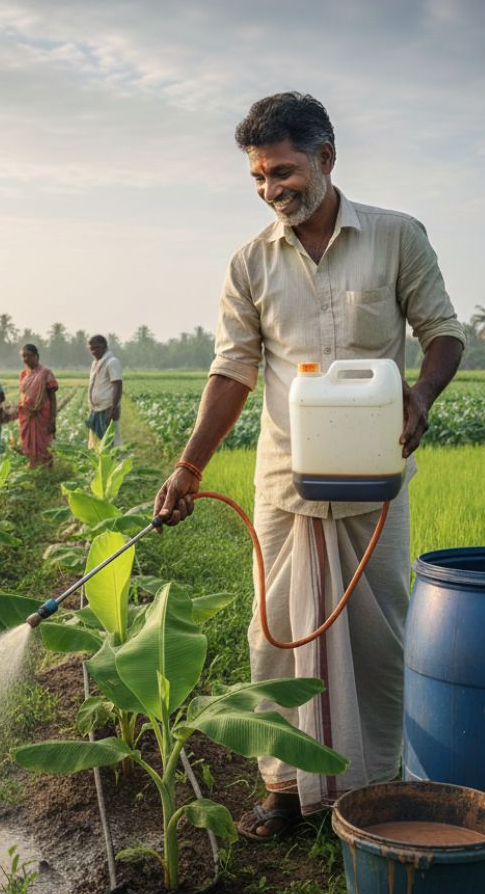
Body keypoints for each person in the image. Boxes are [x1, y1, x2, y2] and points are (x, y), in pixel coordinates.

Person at [153, 92, 466, 841]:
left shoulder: (396, 237)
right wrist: (189, 467)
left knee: (377, 630)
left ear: (326, 158)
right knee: (278, 634)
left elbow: (444, 332)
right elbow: (232, 370)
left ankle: (370, 787)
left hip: (372, 478)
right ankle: (285, 786)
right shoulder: (249, 262)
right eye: (259, 178)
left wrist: (420, 396)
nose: (272, 189)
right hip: (288, 479)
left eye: (284, 170)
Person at [17, 343, 58, 468]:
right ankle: (34, 468)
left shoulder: (46, 373)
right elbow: (23, 395)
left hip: (42, 415)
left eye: (28, 356)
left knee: (44, 445)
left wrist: (52, 419)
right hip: (27, 416)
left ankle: (48, 473)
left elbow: (52, 397)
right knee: (28, 444)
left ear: (37, 356)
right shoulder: (23, 374)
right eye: (23, 356)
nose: (26, 359)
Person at [86, 335, 123, 447]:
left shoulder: (112, 362)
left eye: (97, 347)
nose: (94, 351)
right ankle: (101, 463)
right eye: (91, 348)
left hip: (107, 408)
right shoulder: (95, 363)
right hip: (96, 409)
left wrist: (113, 408)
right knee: (98, 441)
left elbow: (118, 385)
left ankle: (117, 462)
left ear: (104, 346)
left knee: (111, 440)